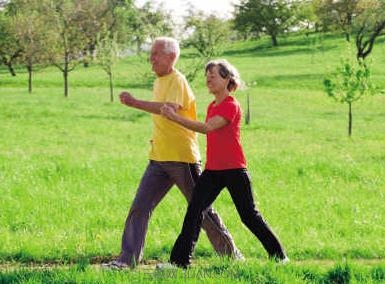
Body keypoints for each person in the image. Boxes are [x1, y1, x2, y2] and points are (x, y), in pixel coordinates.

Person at [103, 37, 241, 269]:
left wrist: (135, 103)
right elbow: (162, 116)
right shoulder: (159, 81)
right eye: (151, 53)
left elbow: (168, 109)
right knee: (140, 207)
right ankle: (127, 260)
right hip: (158, 157)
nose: (151, 58)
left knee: (201, 210)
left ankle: (231, 255)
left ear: (171, 57)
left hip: (181, 158)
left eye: (156, 54)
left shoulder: (177, 80)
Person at [160, 59, 289, 268]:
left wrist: (174, 117)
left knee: (249, 216)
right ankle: (179, 262)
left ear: (228, 79)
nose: (208, 78)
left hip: (235, 170)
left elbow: (208, 128)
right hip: (213, 171)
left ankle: (280, 257)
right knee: (194, 211)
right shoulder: (212, 105)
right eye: (207, 75)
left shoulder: (231, 105)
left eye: (213, 75)